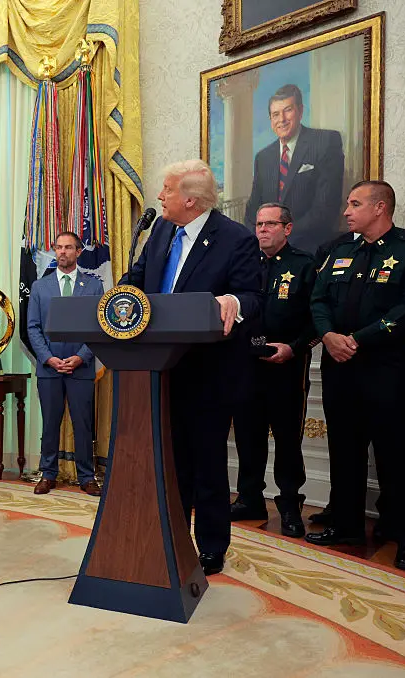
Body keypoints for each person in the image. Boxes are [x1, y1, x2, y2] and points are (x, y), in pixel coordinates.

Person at [121, 160, 262, 575]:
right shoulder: (161, 230)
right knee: (168, 462)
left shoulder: (235, 239)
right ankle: (172, 538)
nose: (159, 197)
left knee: (206, 465)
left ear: (190, 200)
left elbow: (254, 297)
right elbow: (138, 276)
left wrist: (232, 303)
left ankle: (211, 547)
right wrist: (114, 302)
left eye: (165, 190)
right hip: (157, 369)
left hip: (208, 373)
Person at [306, 181, 405, 573]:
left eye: (355, 203)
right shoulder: (338, 250)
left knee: (396, 453)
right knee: (344, 449)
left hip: (389, 364)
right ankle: (346, 526)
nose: (347, 210)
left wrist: (357, 340)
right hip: (339, 364)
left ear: (380, 208)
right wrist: (328, 335)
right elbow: (318, 299)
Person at [230, 203, 316, 537]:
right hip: (246, 365)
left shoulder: (304, 266)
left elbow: (318, 318)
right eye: (259, 224)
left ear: (287, 228)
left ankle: (291, 505)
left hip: (287, 366)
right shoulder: (244, 265)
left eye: (270, 224)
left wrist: (294, 347)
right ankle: (249, 498)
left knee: (287, 440)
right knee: (248, 436)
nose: (263, 229)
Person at [26, 231, 104, 496]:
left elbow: (98, 327)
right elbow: (32, 328)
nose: (62, 252)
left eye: (68, 248)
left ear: (78, 252)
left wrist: (81, 356)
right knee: (50, 423)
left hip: (80, 367)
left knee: (83, 424)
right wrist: (48, 358)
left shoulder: (93, 286)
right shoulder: (40, 286)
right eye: (58, 247)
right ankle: (47, 474)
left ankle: (86, 476)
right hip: (50, 368)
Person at [244, 84, 345, 255]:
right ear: (270, 120)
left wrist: (282, 237)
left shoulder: (325, 141)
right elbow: (253, 210)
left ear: (300, 111)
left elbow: (326, 207)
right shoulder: (263, 157)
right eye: (275, 114)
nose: (281, 119)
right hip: (268, 255)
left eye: (288, 110)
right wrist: (261, 241)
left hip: (311, 251)